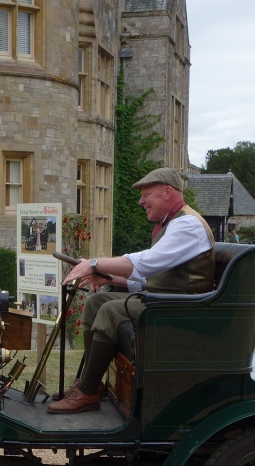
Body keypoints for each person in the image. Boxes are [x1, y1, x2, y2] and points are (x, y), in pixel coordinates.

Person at [47, 167, 215, 414]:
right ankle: (90, 384)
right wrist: (105, 277)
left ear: (168, 192)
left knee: (112, 311)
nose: (141, 201)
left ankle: (87, 391)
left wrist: (94, 263)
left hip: (181, 308)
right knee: (96, 302)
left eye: (147, 194)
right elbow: (152, 277)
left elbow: (146, 263)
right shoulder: (173, 223)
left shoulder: (187, 224)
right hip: (165, 299)